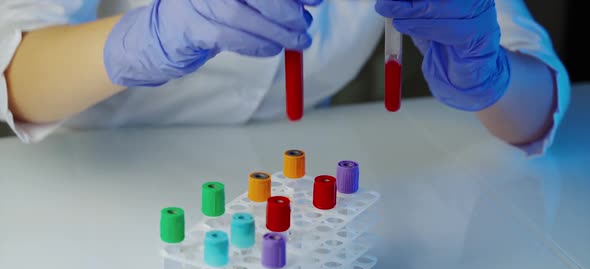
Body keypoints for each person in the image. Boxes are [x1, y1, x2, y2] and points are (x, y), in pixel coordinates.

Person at [0, 0, 570, 156]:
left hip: (294, 171)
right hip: (99, 181)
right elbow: (15, 74)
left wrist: (487, 75)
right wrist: (152, 35)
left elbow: (536, 110)